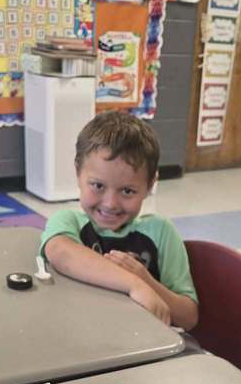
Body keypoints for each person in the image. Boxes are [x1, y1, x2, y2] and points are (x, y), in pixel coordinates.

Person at [40, 111, 198, 330]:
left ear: (150, 185)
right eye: (98, 186)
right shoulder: (68, 222)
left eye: (127, 190)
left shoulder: (161, 232)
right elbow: (60, 252)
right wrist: (134, 284)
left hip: (147, 349)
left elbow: (188, 317)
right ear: (78, 173)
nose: (110, 203)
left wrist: (147, 280)